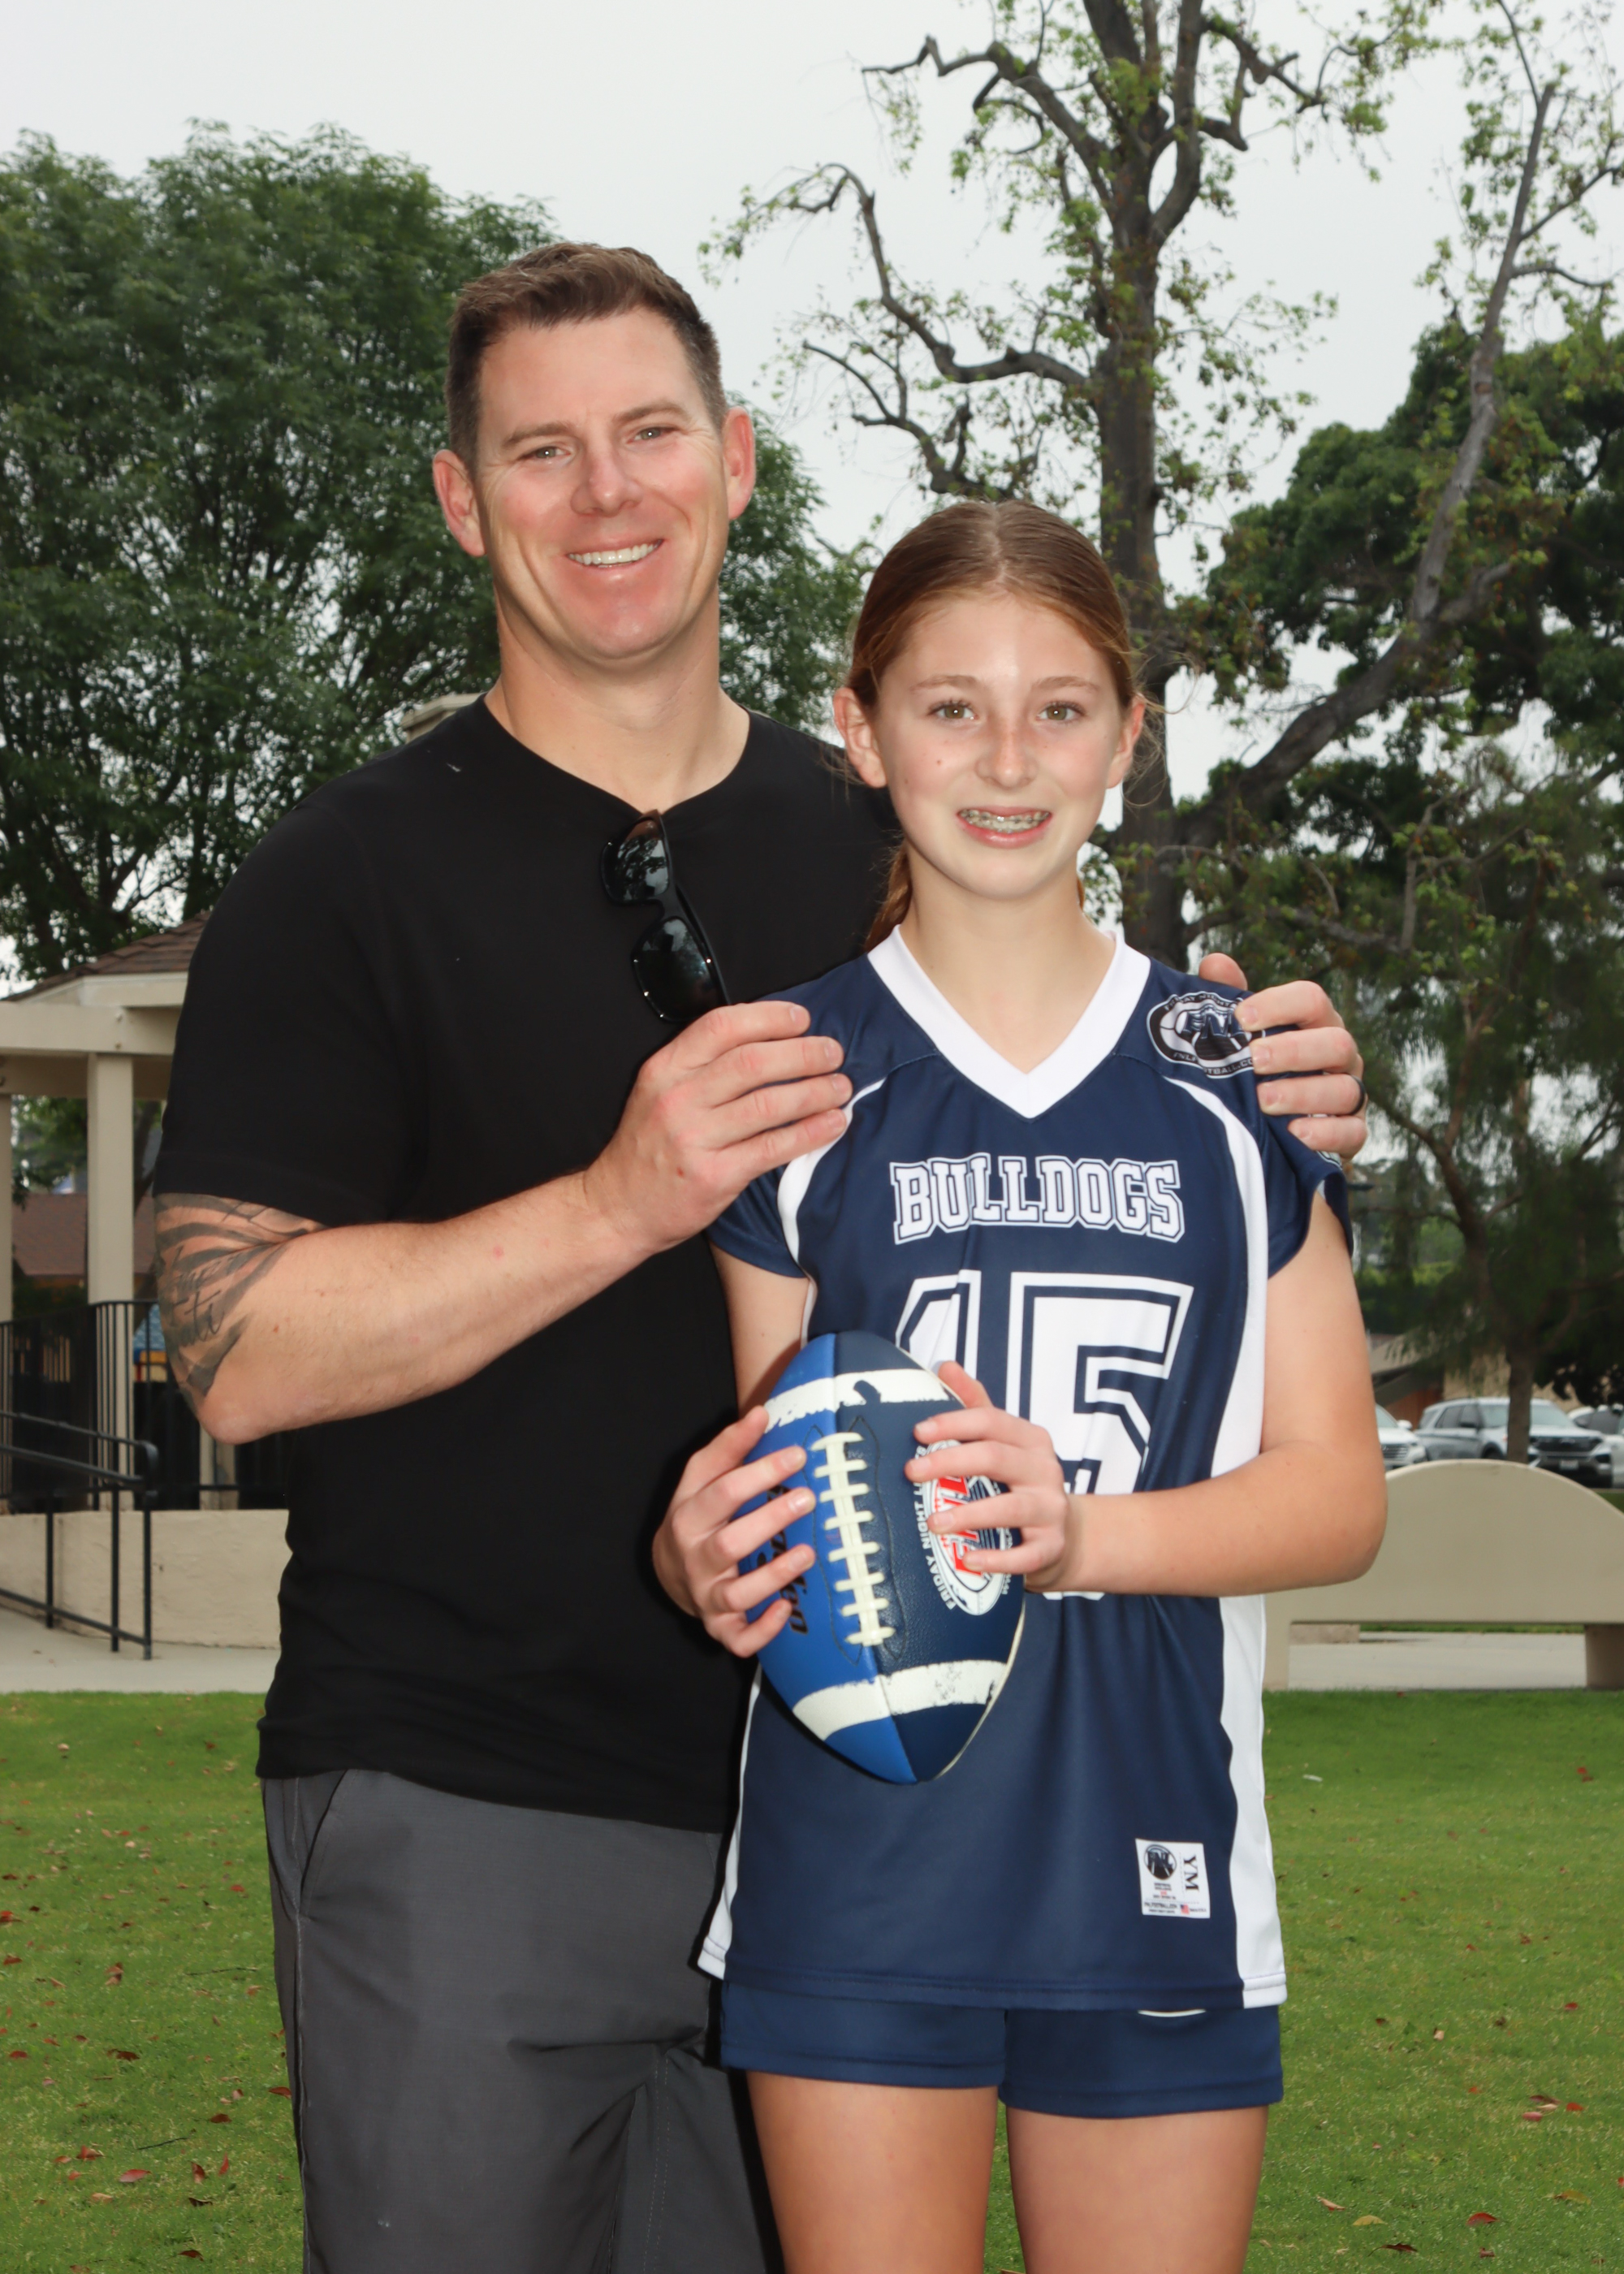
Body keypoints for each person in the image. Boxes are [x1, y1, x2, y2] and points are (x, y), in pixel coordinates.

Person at [150, 244, 1371, 2274]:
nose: (605, 492)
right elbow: (233, 1347)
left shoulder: (895, 829)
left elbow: (1111, 1088)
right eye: (539, 450)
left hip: (851, 1806)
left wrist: (1290, 1080)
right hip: (478, 1789)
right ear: (460, 497)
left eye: (648, 433)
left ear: (730, 460)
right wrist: (617, 1196)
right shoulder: (340, 875)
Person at [654, 501, 1386, 2274]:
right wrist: (703, 1557)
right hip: (859, 1860)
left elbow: (1339, 1495)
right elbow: (783, 1488)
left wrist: (1078, 1536)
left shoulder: (1239, 1081)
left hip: (1152, 1846)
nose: (1005, 758)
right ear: (860, 729)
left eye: (1058, 709)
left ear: (1128, 736)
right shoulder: (791, 1079)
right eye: (950, 706)